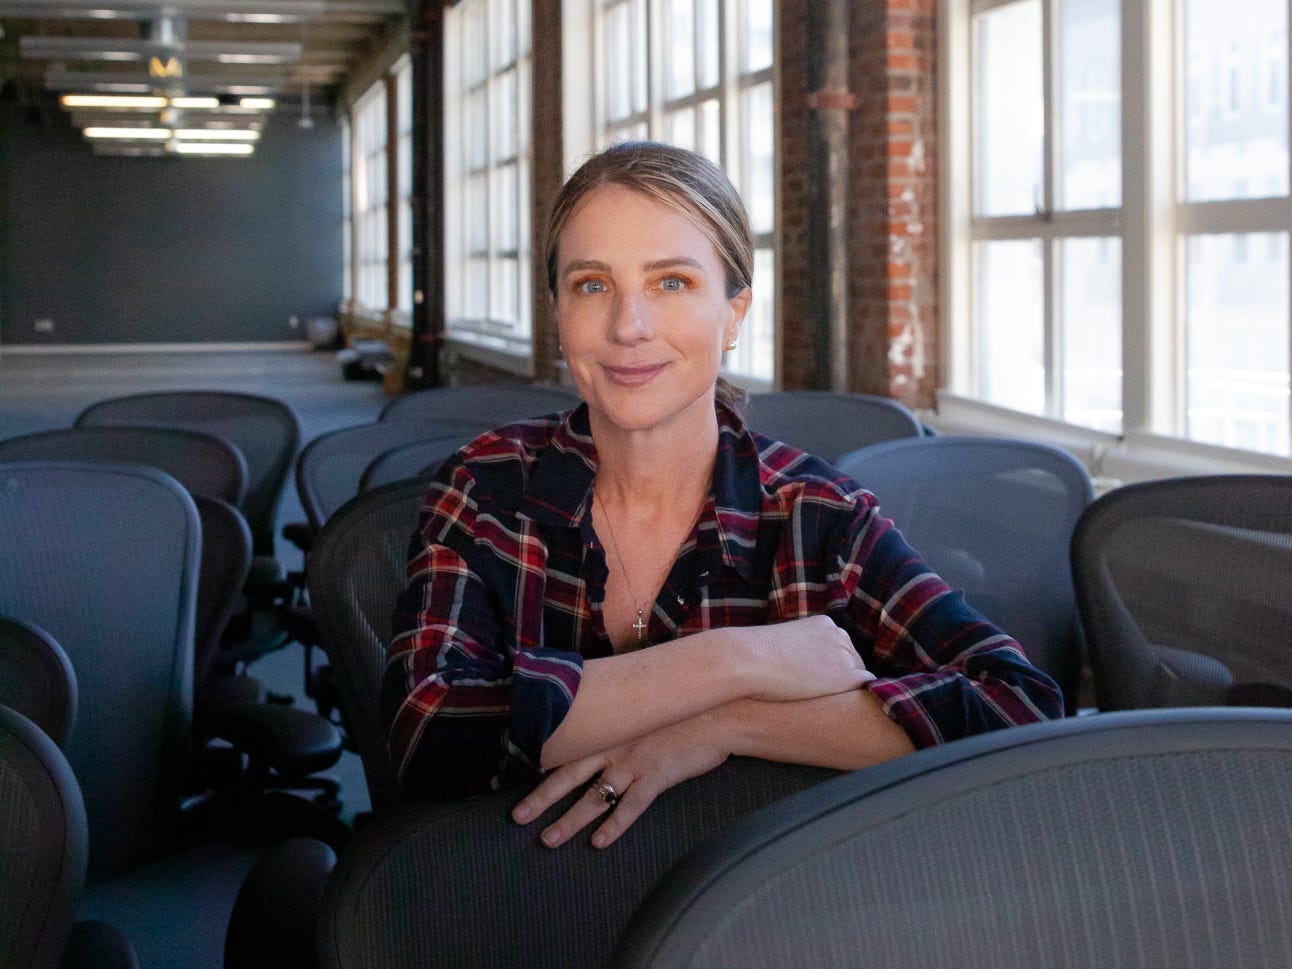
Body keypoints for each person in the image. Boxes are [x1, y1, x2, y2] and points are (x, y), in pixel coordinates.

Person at [382, 141, 1063, 851]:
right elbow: (428, 728)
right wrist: (740, 662)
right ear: (558, 309)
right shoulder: (486, 485)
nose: (628, 326)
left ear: (734, 312)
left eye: (671, 282)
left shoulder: (816, 513)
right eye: (591, 284)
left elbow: (1020, 709)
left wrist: (728, 725)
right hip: (532, 911)